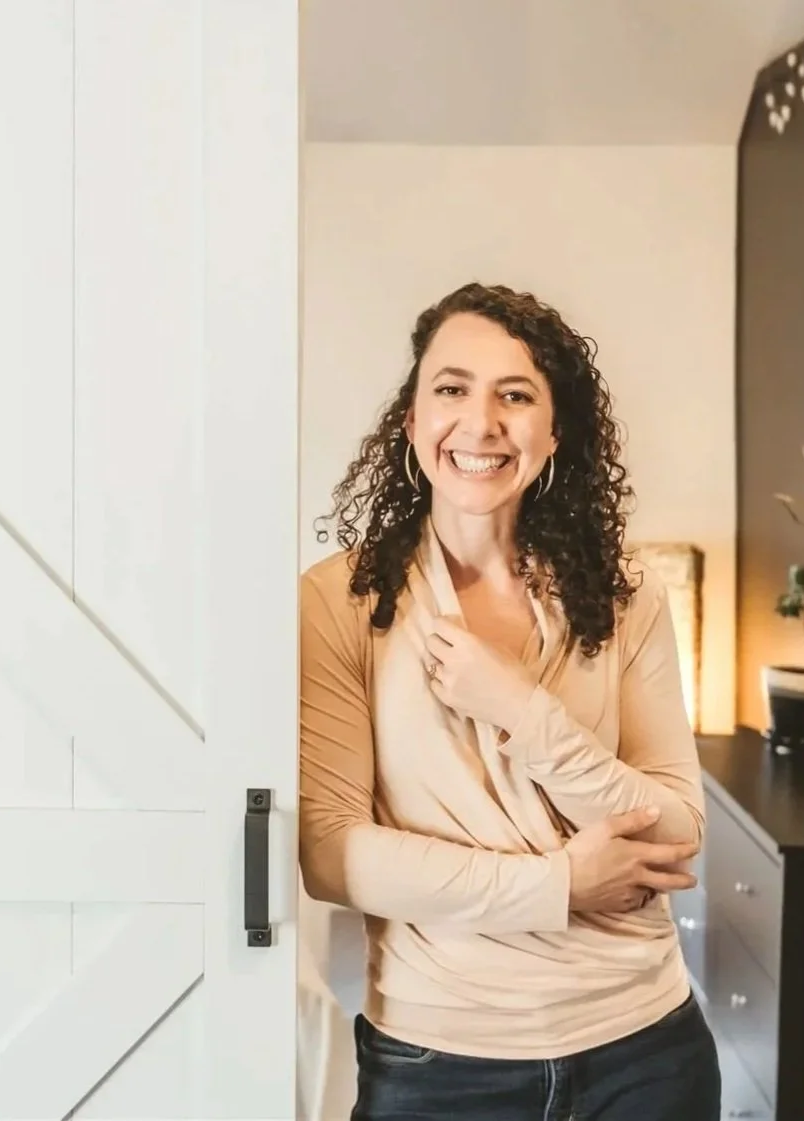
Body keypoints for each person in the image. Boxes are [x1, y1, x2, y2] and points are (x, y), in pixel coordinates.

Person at [298, 282, 722, 1121]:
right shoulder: (337, 600)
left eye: (516, 395)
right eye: (451, 389)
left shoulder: (625, 595)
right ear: (413, 420)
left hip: (647, 1049)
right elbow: (333, 852)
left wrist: (523, 712)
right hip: (441, 1064)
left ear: (554, 430)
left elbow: (677, 830)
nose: (481, 422)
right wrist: (560, 882)